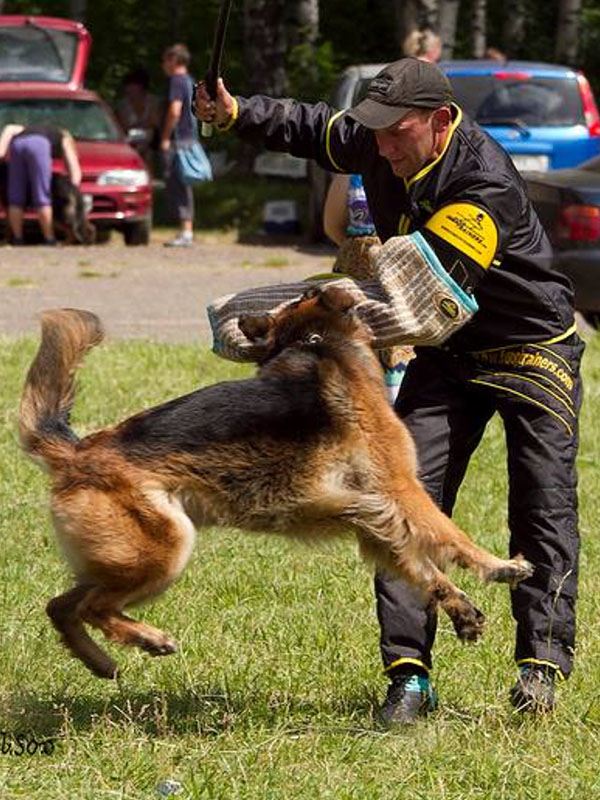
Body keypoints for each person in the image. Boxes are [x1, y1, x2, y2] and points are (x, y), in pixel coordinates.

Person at [194, 57, 583, 724]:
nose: (379, 146)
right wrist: (236, 114)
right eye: (374, 132)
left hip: (528, 348)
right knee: (399, 500)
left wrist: (289, 321)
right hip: (449, 352)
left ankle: (540, 666)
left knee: (541, 505)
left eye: (394, 133)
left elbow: (414, 303)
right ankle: (409, 676)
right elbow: (315, 127)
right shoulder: (382, 134)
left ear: (439, 122)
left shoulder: (479, 186)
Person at [323, 172, 414, 403]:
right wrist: (363, 253)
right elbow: (333, 226)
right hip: (358, 275)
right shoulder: (351, 172)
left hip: (405, 275)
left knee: (400, 342)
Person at [0, 124, 82, 245]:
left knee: (15, 197)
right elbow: (74, 169)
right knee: (42, 194)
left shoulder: (22, 129)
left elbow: (5, 140)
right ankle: (49, 238)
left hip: (17, 144)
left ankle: (17, 238)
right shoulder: (64, 137)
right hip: (39, 145)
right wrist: (73, 189)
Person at [160, 43, 197, 248]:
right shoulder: (190, 81)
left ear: (174, 60)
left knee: (178, 184)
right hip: (189, 137)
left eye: (165, 60)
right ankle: (186, 229)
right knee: (184, 184)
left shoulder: (176, 81)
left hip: (178, 140)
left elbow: (175, 111)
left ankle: (186, 231)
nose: (163, 64)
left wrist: (165, 138)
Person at [116, 67, 162, 172]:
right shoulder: (123, 105)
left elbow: (154, 123)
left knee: (148, 151)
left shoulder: (153, 102)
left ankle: (149, 176)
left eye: (133, 86)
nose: (129, 89)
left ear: (141, 86)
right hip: (129, 138)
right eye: (128, 86)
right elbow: (122, 126)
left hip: (151, 138)